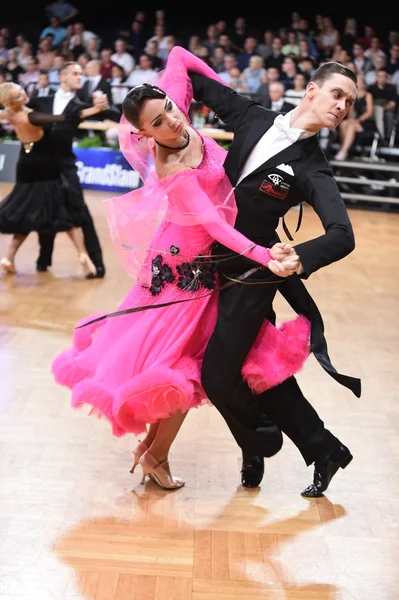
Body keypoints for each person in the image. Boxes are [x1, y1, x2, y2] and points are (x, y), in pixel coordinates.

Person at [51, 47, 312, 491]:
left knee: (185, 366)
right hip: (183, 271)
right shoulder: (172, 164)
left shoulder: (173, 108)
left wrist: (224, 91)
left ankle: (153, 453)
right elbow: (214, 225)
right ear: (144, 134)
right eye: (157, 123)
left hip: (198, 263)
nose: (172, 121)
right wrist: (265, 254)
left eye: (170, 109)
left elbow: (177, 56)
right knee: (182, 369)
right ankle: (155, 454)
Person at [179, 46, 361, 497]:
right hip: (207, 262)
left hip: (254, 275)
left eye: (349, 102)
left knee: (219, 376)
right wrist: (161, 124)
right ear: (312, 90)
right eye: (337, 94)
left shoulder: (312, 167)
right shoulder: (253, 117)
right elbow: (190, 75)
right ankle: (324, 449)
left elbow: (343, 233)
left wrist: (300, 255)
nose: (341, 106)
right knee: (258, 368)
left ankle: (258, 441)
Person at [0, 82, 106, 275]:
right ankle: (83, 254)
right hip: (44, 167)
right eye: (17, 96)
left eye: (21, 91)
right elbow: (65, 117)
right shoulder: (31, 116)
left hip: (25, 164)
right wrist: (95, 109)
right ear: (11, 101)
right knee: (62, 211)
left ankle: (8, 257)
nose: (24, 95)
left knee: (26, 213)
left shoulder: (8, 113)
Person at [28, 61, 118, 277]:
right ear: (62, 76)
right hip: (42, 167)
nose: (80, 77)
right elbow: (18, 111)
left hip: (66, 167)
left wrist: (105, 106)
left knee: (81, 212)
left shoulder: (80, 106)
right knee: (46, 211)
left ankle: (97, 263)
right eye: (75, 73)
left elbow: (114, 115)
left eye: (81, 73)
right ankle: (44, 259)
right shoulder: (41, 101)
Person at [335, 74, 376, 160]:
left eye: (360, 83)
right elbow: (351, 111)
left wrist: (358, 120)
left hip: (365, 121)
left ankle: (343, 151)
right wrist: (351, 120)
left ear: (364, 84)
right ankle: (344, 149)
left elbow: (370, 112)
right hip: (354, 120)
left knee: (351, 126)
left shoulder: (368, 95)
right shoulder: (352, 96)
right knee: (344, 123)